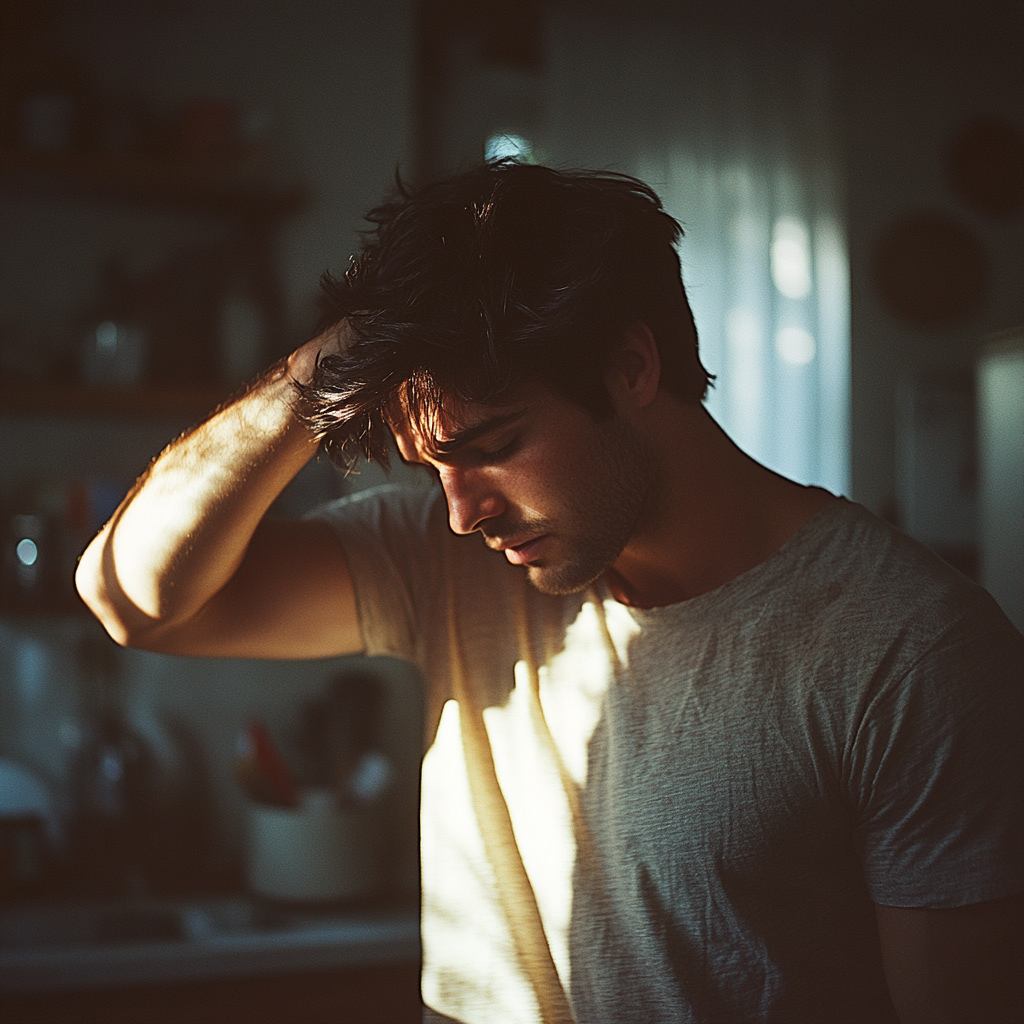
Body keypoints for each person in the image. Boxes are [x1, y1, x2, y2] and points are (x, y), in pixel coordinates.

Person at [76, 162, 1023, 1024]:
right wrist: (326, 366)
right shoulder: (449, 563)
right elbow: (133, 599)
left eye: (490, 448)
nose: (459, 512)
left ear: (632, 365)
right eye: (432, 465)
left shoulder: (912, 650)